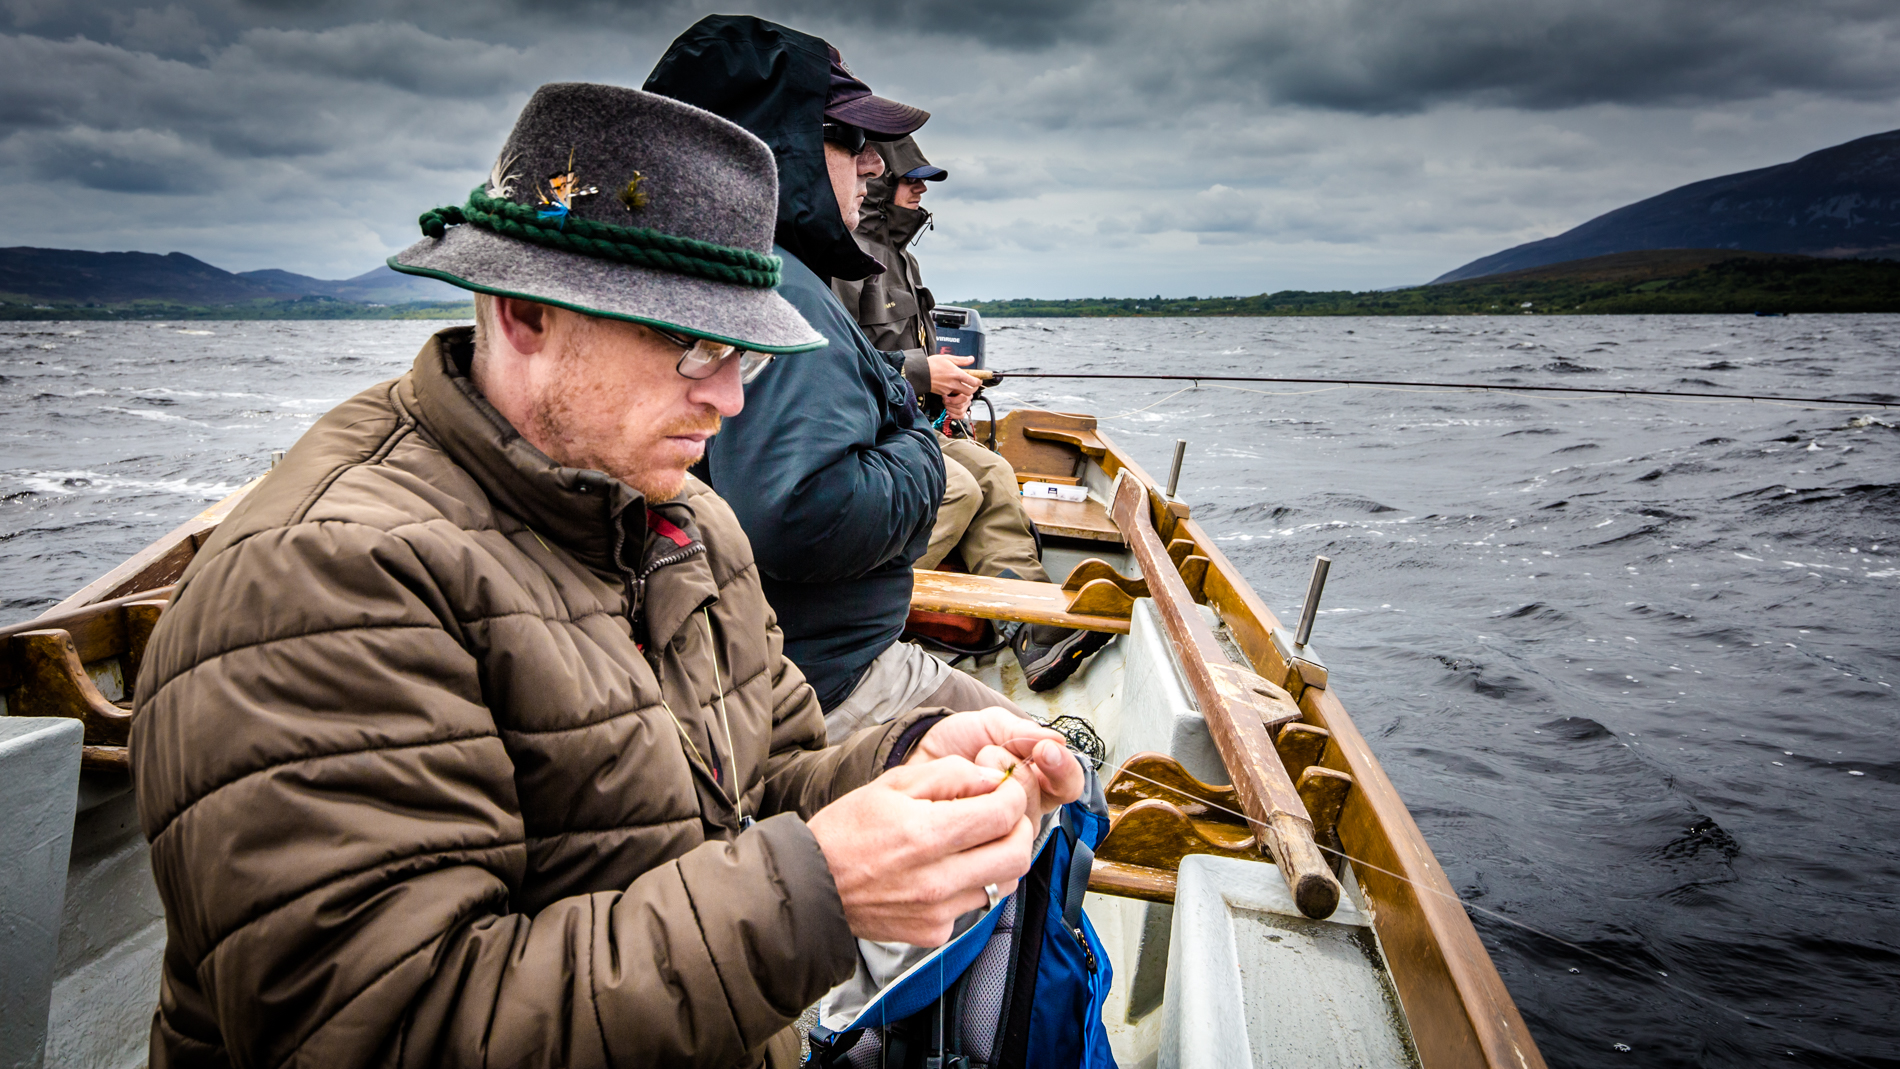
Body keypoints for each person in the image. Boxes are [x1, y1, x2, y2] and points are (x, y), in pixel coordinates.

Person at [128, 82, 1081, 1069]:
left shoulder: (683, 516)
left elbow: (767, 776)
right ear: (526, 311)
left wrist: (903, 761)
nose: (725, 401)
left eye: (744, 356)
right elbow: (377, 1030)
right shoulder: (325, 580)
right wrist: (819, 893)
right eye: (693, 347)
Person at [646, 16, 1037, 739]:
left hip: (760, 667)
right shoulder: (778, 287)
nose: (875, 166)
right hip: (830, 676)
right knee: (1068, 787)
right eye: (851, 139)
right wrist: (918, 451)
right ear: (772, 144)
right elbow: (798, 514)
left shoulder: (695, 272)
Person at [833, 136, 1116, 692]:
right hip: (861, 431)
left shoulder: (901, 259)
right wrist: (920, 374)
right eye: (910, 177)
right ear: (880, 182)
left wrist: (943, 392)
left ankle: (1035, 628)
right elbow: (835, 362)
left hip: (903, 422)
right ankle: (852, 615)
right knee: (957, 485)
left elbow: (900, 360)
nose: (919, 189)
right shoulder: (845, 257)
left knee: (993, 471)